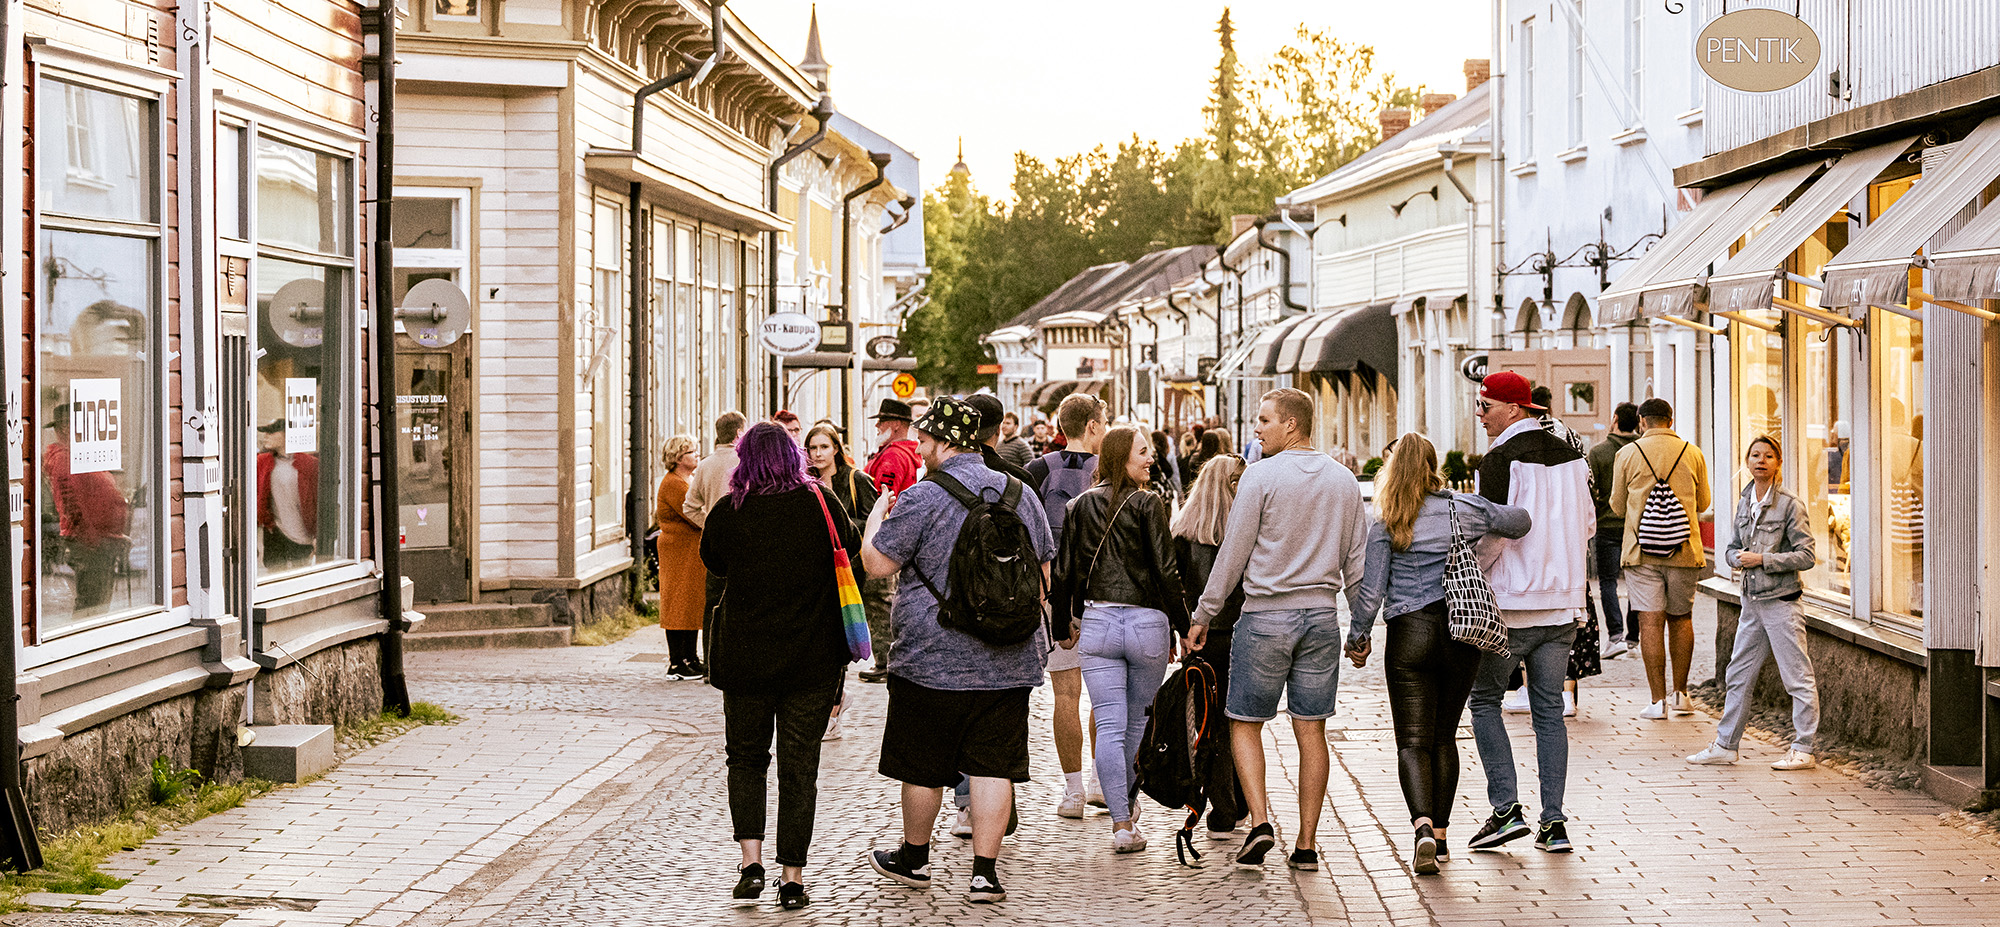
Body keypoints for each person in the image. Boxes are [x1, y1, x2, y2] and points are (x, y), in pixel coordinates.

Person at [861, 398, 1056, 905]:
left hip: (931, 656)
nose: (919, 450)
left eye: (924, 441)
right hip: (1010, 657)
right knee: (994, 765)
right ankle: (985, 875)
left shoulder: (925, 495)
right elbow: (1044, 575)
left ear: (946, 442)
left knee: (922, 764)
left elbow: (879, 565)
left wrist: (875, 519)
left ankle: (915, 858)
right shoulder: (1021, 492)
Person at [1185, 388, 1368, 873]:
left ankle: (1261, 822)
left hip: (1265, 617)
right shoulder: (1344, 480)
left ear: (1292, 424)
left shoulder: (1261, 477)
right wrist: (1362, 627)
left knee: (1244, 722)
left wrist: (1204, 614)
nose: (1257, 429)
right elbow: (1357, 565)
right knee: (1312, 731)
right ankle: (1306, 843)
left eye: (1265, 420)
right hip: (1322, 619)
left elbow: (1234, 553)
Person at [1346, 432, 1530, 874]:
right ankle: (1443, 840)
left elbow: (1370, 592)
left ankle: (1423, 827)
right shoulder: (1460, 508)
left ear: (1392, 471)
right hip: (1461, 633)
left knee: (1412, 741)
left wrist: (1357, 638)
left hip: (1410, 633)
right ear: (1432, 466)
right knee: (1445, 736)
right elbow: (1520, 521)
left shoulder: (1387, 521)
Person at [700, 423, 861, 911]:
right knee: (799, 768)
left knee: (745, 759)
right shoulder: (821, 503)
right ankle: (792, 878)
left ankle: (751, 864)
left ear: (745, 460)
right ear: (794, 456)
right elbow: (850, 548)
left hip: (746, 659)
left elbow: (714, 561)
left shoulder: (732, 508)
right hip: (810, 660)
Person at [1464, 370, 1593, 855]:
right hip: (1562, 604)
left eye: (1485, 407)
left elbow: (1491, 531)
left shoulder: (1498, 460)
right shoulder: (1573, 457)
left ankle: (1505, 809)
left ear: (1514, 410)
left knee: (1483, 700)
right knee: (1549, 713)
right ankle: (1554, 823)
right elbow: (1586, 525)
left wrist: (1473, 569)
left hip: (1511, 604)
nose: (1480, 416)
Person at [1051, 425, 1188, 853]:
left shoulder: (1078, 506)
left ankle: (1122, 824)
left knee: (1109, 725)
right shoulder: (1149, 503)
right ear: (1120, 458)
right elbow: (1166, 571)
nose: (1151, 459)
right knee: (1137, 725)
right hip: (1147, 624)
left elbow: (1064, 572)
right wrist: (1184, 626)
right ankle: (1125, 807)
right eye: (1143, 453)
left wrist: (1062, 626)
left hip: (1098, 623)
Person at [1687, 435, 1819, 771]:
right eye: (1755, 455)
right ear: (1748, 462)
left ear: (1778, 463)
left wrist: (1763, 559)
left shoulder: (1790, 504)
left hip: (1781, 602)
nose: (1760, 461)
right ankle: (1725, 745)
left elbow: (1807, 556)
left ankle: (1804, 748)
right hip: (1751, 602)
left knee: (1797, 677)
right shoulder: (1745, 501)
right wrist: (1735, 558)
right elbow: (1731, 547)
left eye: (1768, 456)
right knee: (1738, 674)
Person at [1025, 393, 1108, 816]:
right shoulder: (1110, 471)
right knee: (1104, 695)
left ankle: (1072, 791)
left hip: (1057, 597)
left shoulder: (1038, 470)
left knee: (1066, 694)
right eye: (1104, 421)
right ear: (1092, 425)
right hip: (1105, 596)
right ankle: (1099, 780)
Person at [1607, 397, 1711, 720]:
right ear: (1670, 419)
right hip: (1684, 550)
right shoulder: (1692, 453)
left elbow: (1618, 507)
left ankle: (1657, 701)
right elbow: (1704, 503)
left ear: (1642, 422)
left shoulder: (1626, 454)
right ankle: (1680, 695)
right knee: (1681, 619)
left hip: (1642, 553)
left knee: (1649, 621)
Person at [1170, 453, 1249, 841]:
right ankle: (1235, 800)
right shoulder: (1246, 528)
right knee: (1240, 722)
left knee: (1209, 723)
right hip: (1241, 633)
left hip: (1201, 637)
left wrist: (1180, 630)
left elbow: (1176, 587)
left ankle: (1224, 804)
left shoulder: (1184, 532)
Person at [806, 423, 879, 740]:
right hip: (815, 571)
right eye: (812, 448)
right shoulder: (805, 482)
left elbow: (875, 516)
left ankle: (833, 707)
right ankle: (829, 700)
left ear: (836, 448)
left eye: (823, 447)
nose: (818, 454)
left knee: (840, 635)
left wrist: (841, 525)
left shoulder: (855, 479)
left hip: (848, 570)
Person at [45, 403, 132, 611]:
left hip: (102, 542)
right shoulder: (64, 459)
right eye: (86, 423)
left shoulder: (78, 455)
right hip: (92, 545)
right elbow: (72, 506)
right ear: (67, 428)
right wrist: (96, 542)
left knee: (99, 605)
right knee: (92, 607)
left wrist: (114, 536)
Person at [859, 399, 921, 682]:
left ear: (895, 425)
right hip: (901, 532)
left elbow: (884, 497)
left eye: (881, 422)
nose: (877, 426)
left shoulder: (893, 457)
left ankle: (885, 660)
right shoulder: (908, 452)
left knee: (878, 600)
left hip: (886, 534)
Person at [685, 411, 747, 673]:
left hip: (716, 546)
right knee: (743, 602)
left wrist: (709, 526)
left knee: (713, 605)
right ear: (738, 434)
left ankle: (711, 664)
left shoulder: (706, 465)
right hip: (744, 543)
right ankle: (738, 661)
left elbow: (690, 507)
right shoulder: (746, 462)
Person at [1588, 402, 1642, 655]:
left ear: (1615, 419)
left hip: (1607, 524)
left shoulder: (1599, 452)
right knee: (1637, 582)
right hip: (1638, 526)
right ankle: (1633, 637)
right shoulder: (1642, 450)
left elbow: (1591, 491)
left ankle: (1616, 635)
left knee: (1608, 582)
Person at [654, 435, 706, 680]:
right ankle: (677, 662)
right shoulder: (674, 483)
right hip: (677, 549)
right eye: (691, 452)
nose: (697, 455)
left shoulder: (688, 479)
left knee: (691, 602)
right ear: (678, 458)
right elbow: (693, 513)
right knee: (677, 602)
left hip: (689, 549)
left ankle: (691, 657)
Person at [255, 418, 318, 573]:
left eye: (272, 432)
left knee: (301, 575)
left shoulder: (309, 464)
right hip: (275, 532)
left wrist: (319, 535)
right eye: (266, 433)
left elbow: (320, 502)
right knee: (275, 575)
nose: (266, 436)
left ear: (286, 435)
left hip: (304, 535)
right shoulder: (263, 462)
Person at [967, 395, 1038, 488]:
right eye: (1004, 423)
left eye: (1008, 423)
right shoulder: (1022, 479)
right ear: (998, 429)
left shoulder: (946, 473)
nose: (1005, 426)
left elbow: (1029, 463)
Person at [1148, 430, 1184, 502]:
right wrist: (1180, 493)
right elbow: (1175, 476)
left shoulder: (1150, 456)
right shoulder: (1169, 456)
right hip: (1165, 495)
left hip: (1152, 493)